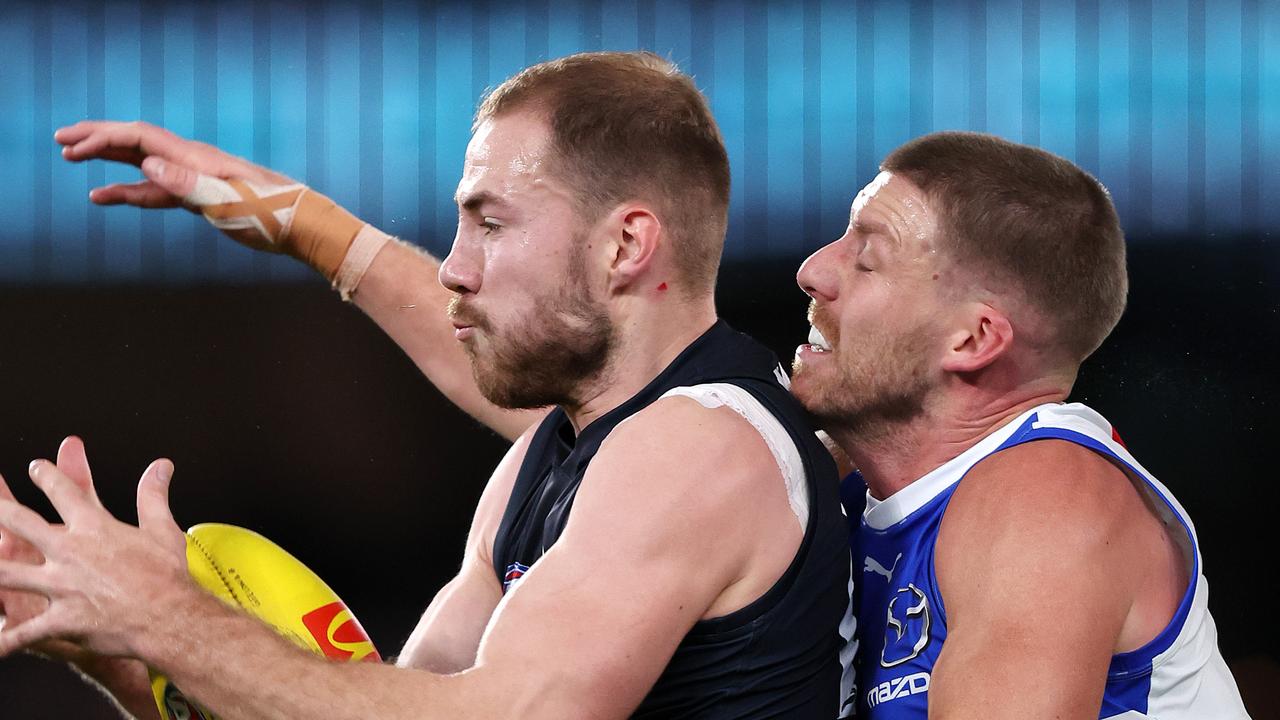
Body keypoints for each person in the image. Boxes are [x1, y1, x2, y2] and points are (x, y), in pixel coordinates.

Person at [0, 52, 855, 718]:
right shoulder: (547, 463)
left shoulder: (701, 447)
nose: (455, 267)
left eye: (491, 222)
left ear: (625, 247)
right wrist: (105, 635)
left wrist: (168, 619)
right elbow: (372, 707)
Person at [789, 132, 1248, 717]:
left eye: (867, 259)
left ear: (973, 339)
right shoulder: (842, 481)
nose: (813, 271)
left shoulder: (1046, 496)